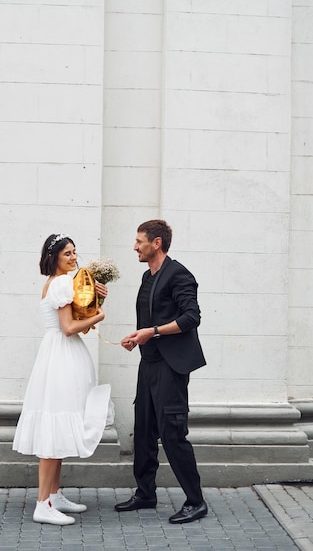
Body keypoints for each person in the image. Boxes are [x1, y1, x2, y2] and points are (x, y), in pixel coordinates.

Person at [13, 233, 113, 526]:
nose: (74, 257)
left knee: (58, 426)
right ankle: (42, 504)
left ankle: (54, 495)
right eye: (67, 253)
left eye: (74, 252)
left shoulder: (61, 283)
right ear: (54, 257)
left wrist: (93, 302)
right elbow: (70, 328)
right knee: (53, 427)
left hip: (60, 355)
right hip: (60, 357)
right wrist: (99, 316)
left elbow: (75, 325)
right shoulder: (60, 284)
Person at [114, 220, 207, 524]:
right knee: (143, 428)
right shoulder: (147, 277)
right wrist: (137, 339)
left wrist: (151, 332)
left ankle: (196, 501)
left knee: (172, 433)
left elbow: (191, 317)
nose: (135, 246)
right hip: (149, 363)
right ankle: (145, 493)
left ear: (156, 243)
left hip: (172, 366)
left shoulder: (179, 274)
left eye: (139, 241)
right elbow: (148, 323)